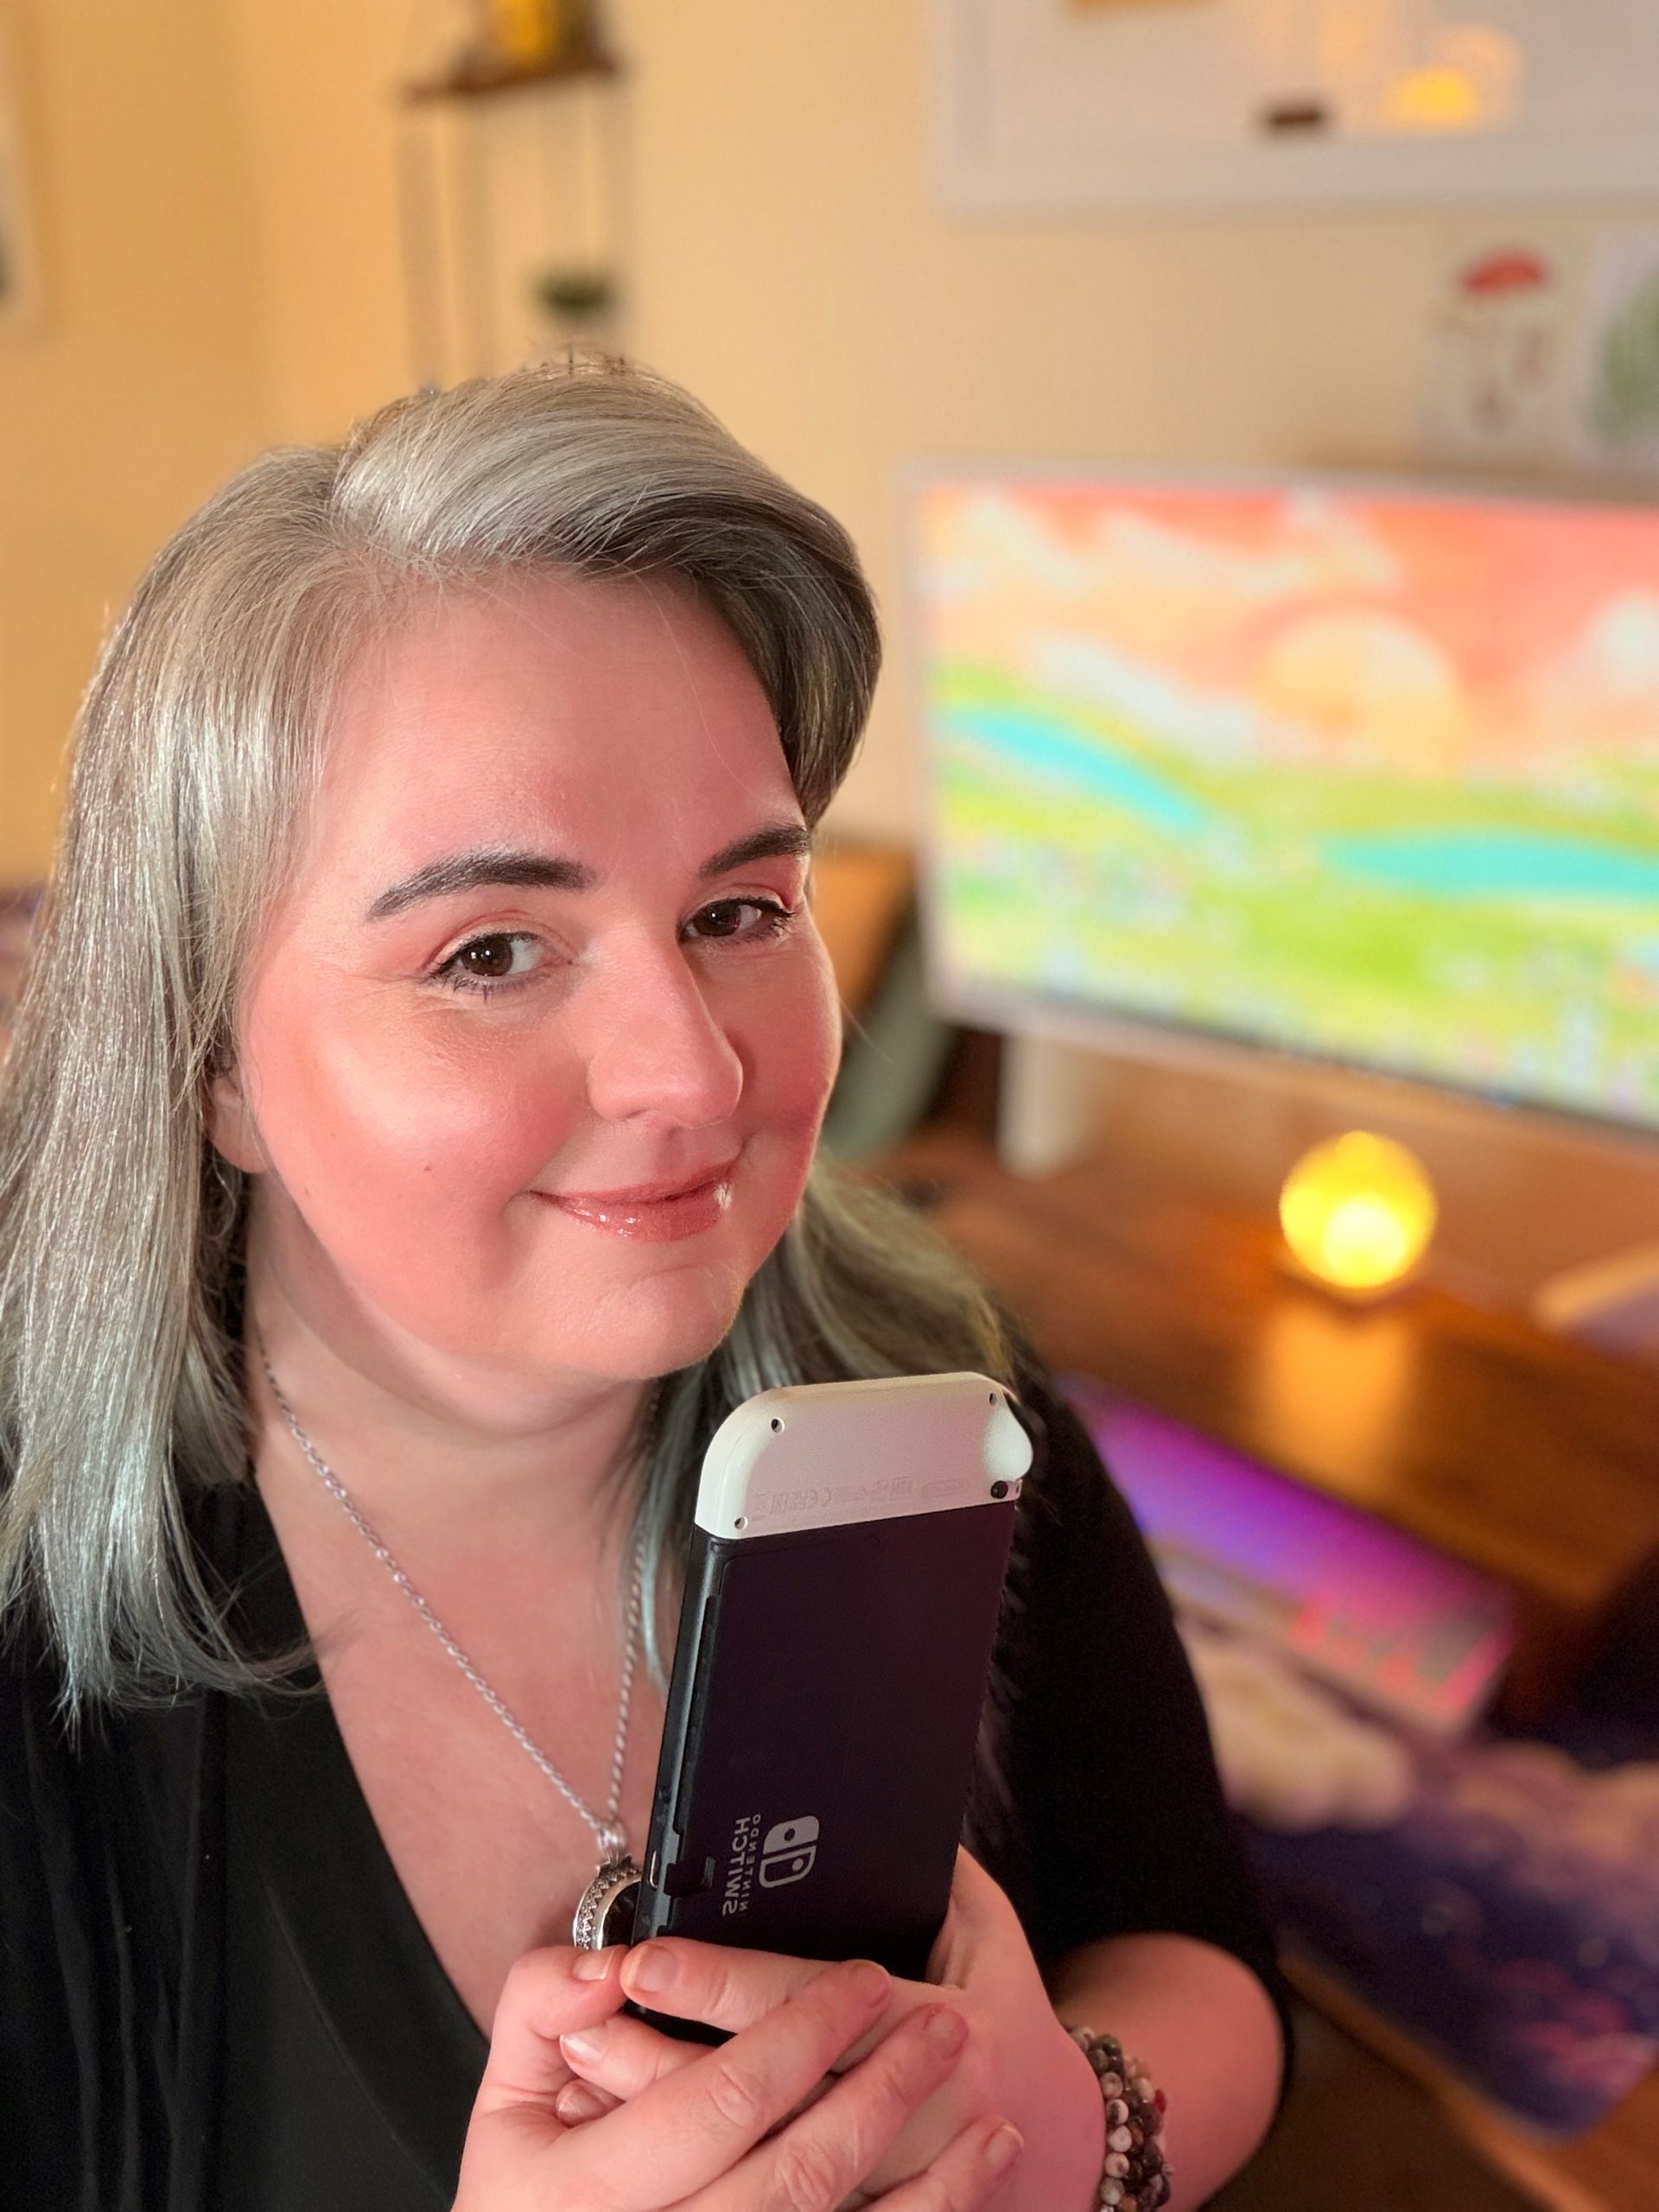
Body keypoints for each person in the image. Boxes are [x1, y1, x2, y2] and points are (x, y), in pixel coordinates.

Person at [0, 358, 1286, 2211]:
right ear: (212, 1063)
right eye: (492, 951)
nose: (692, 1073)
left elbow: (1194, 1947)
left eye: (739, 911)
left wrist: (1080, 2140)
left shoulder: (938, 1400)